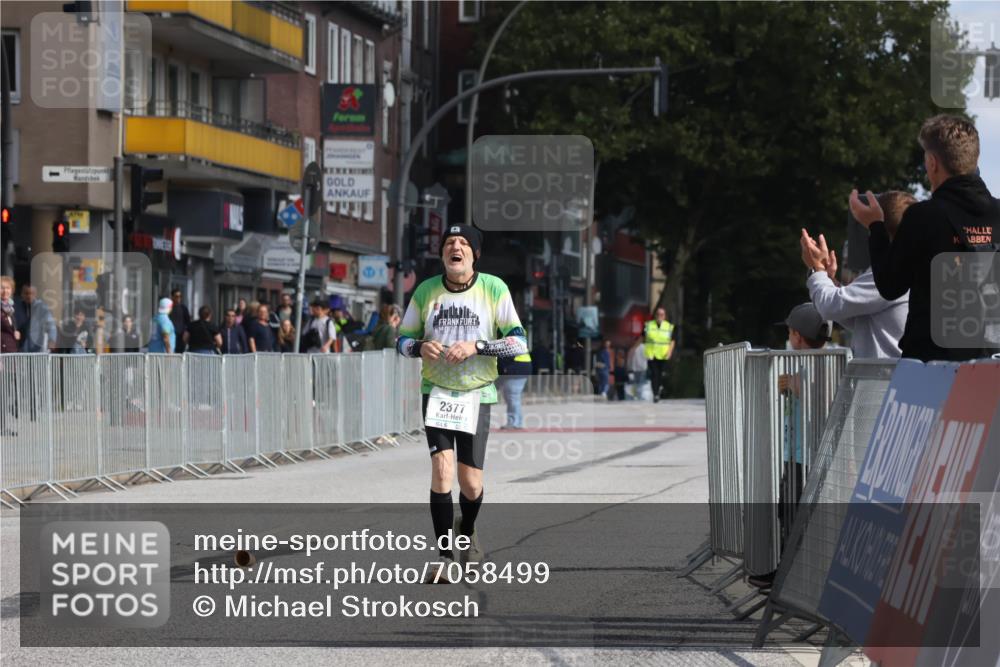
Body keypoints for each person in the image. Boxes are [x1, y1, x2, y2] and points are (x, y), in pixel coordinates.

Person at [396, 224, 527, 583]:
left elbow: (518, 343)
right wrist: (420, 346)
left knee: (470, 484)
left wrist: (478, 347)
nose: (456, 247)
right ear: (442, 254)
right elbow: (402, 341)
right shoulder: (426, 291)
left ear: (475, 254)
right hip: (436, 390)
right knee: (442, 470)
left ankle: (466, 529)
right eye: (450, 243)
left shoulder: (493, 288)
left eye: (464, 243)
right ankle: (443, 556)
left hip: (477, 392)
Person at [850, 114, 999, 361]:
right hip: (990, 363)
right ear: (975, 158)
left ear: (932, 163)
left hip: (930, 366)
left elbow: (890, 285)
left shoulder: (924, 216)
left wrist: (875, 226)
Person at [749, 302, 831, 589]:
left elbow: (825, 401)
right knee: (788, 511)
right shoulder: (805, 364)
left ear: (797, 335)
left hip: (806, 455)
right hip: (795, 452)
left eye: (790, 333)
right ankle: (786, 570)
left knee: (798, 515)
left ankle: (793, 577)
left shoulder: (821, 365)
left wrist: (799, 388)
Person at [801, 191, 914, 359]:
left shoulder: (892, 271)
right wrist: (829, 279)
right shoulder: (911, 266)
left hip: (885, 382)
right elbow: (855, 315)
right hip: (893, 379)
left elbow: (830, 306)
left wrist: (817, 268)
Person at [644, 307, 675, 403]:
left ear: (665, 316)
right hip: (651, 354)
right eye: (658, 314)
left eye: (662, 314)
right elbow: (642, 337)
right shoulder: (649, 325)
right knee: (654, 374)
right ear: (655, 315)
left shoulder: (669, 327)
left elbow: (672, 341)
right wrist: (633, 349)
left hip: (663, 355)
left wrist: (669, 352)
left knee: (661, 375)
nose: (659, 316)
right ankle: (656, 394)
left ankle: (659, 390)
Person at [15, 284, 57, 352]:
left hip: (37, 349)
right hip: (20, 349)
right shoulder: (16, 307)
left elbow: (51, 325)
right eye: (26, 293)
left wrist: (52, 340)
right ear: (22, 294)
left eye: (32, 293)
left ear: (36, 294)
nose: (29, 296)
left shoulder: (42, 308)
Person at [498, 350, 532, 430]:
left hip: (516, 368)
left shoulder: (510, 339)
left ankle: (514, 422)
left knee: (513, 397)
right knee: (512, 397)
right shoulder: (519, 339)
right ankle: (516, 422)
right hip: (520, 367)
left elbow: (506, 356)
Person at [169, 289, 192, 354]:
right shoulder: (169, 308)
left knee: (180, 354)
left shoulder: (183, 308)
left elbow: (188, 321)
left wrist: (186, 332)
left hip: (181, 336)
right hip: (170, 334)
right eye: (176, 296)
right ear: (172, 297)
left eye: (180, 296)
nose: (178, 298)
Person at [1, 276, 19, 353]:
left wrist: (15, 331)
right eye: (2, 288)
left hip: (11, 351)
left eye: (8, 288)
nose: (5, 291)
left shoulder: (11, 309)